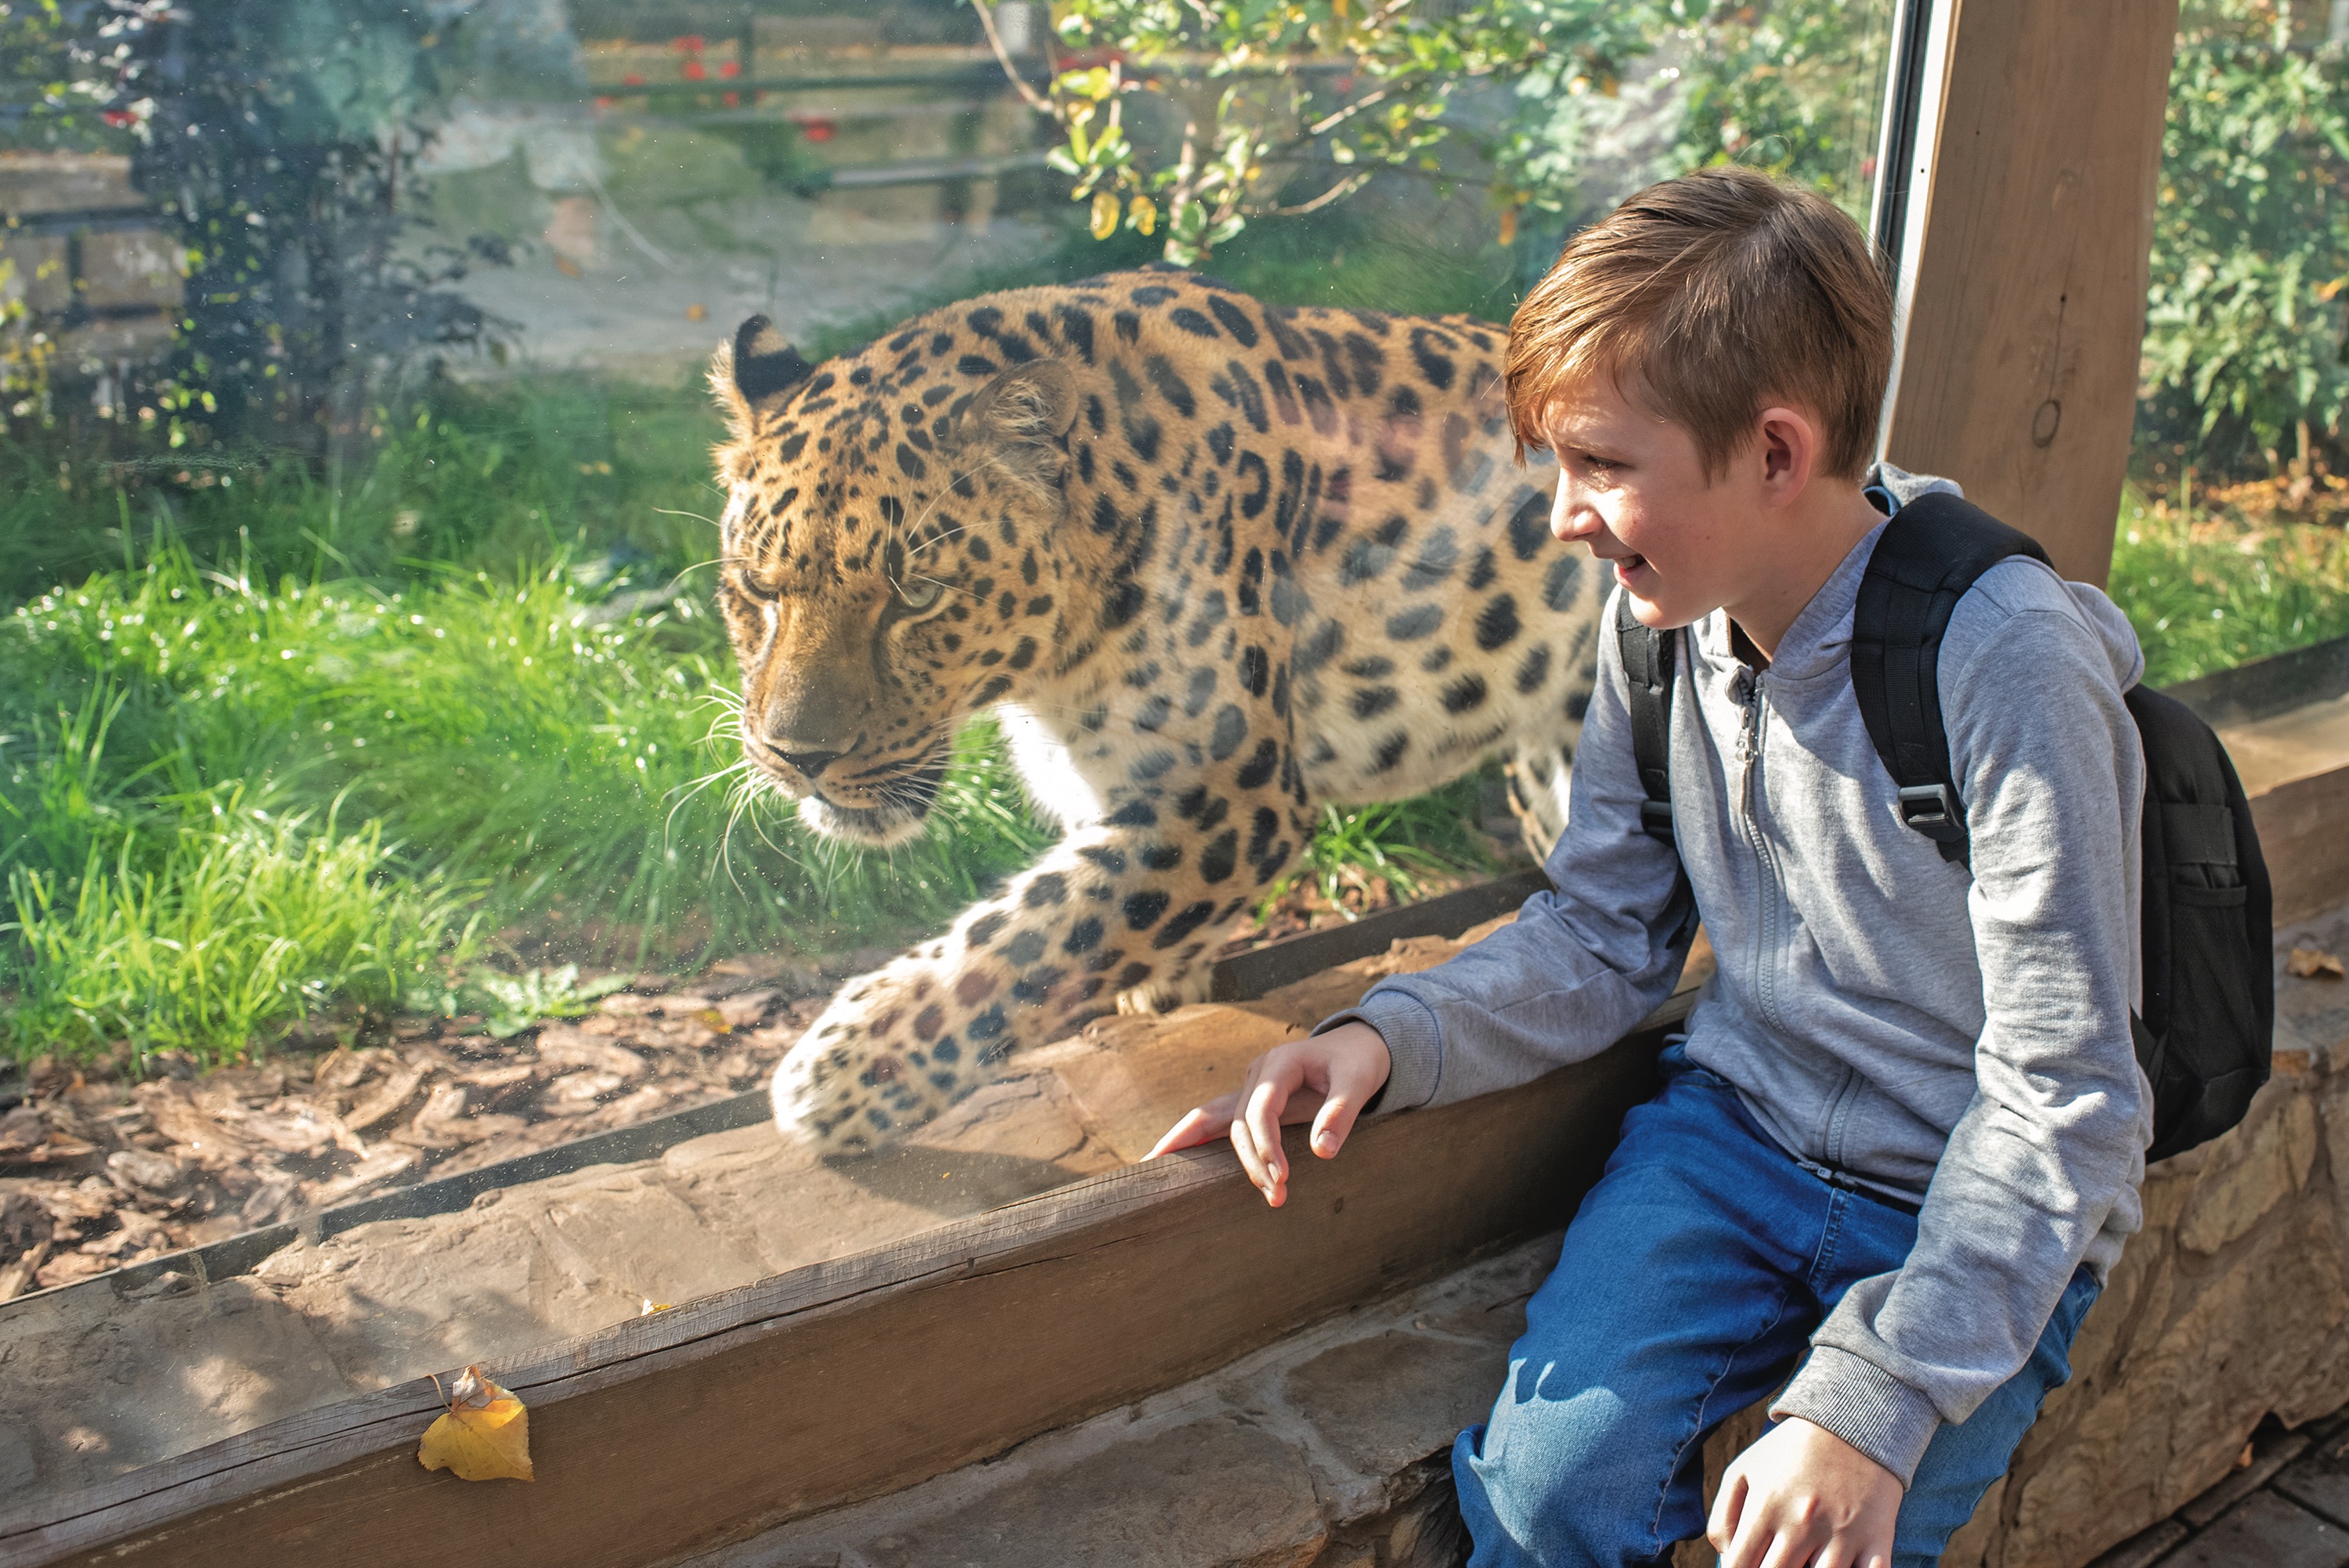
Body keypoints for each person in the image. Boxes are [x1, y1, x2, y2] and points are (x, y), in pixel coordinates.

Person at [1149, 166, 2150, 1568]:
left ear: (1778, 454)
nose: (1562, 515)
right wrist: (1389, 1035)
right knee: (1544, 1502)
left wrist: (1873, 1404)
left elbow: (2069, 1097)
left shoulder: (2010, 666)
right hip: (1737, 1138)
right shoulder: (1663, 621)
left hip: (1969, 1202)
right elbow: (1605, 933)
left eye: (1605, 467)